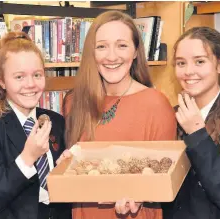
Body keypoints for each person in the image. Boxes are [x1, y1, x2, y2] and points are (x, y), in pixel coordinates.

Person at [60, 10, 177, 219]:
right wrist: (66, 165)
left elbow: (163, 177)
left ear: (135, 52)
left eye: (122, 45)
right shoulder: (73, 102)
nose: (111, 56)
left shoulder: (156, 105)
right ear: (91, 53)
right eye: (102, 46)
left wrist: (140, 195)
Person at [0, 31, 72, 219]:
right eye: (19, 77)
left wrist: (68, 169)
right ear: (1, 81)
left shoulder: (55, 121)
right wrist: (27, 158)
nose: (30, 84)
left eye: (37, 75)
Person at [162, 27, 220, 219]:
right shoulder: (173, 114)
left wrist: (197, 133)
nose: (188, 71)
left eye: (199, 61)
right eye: (181, 63)